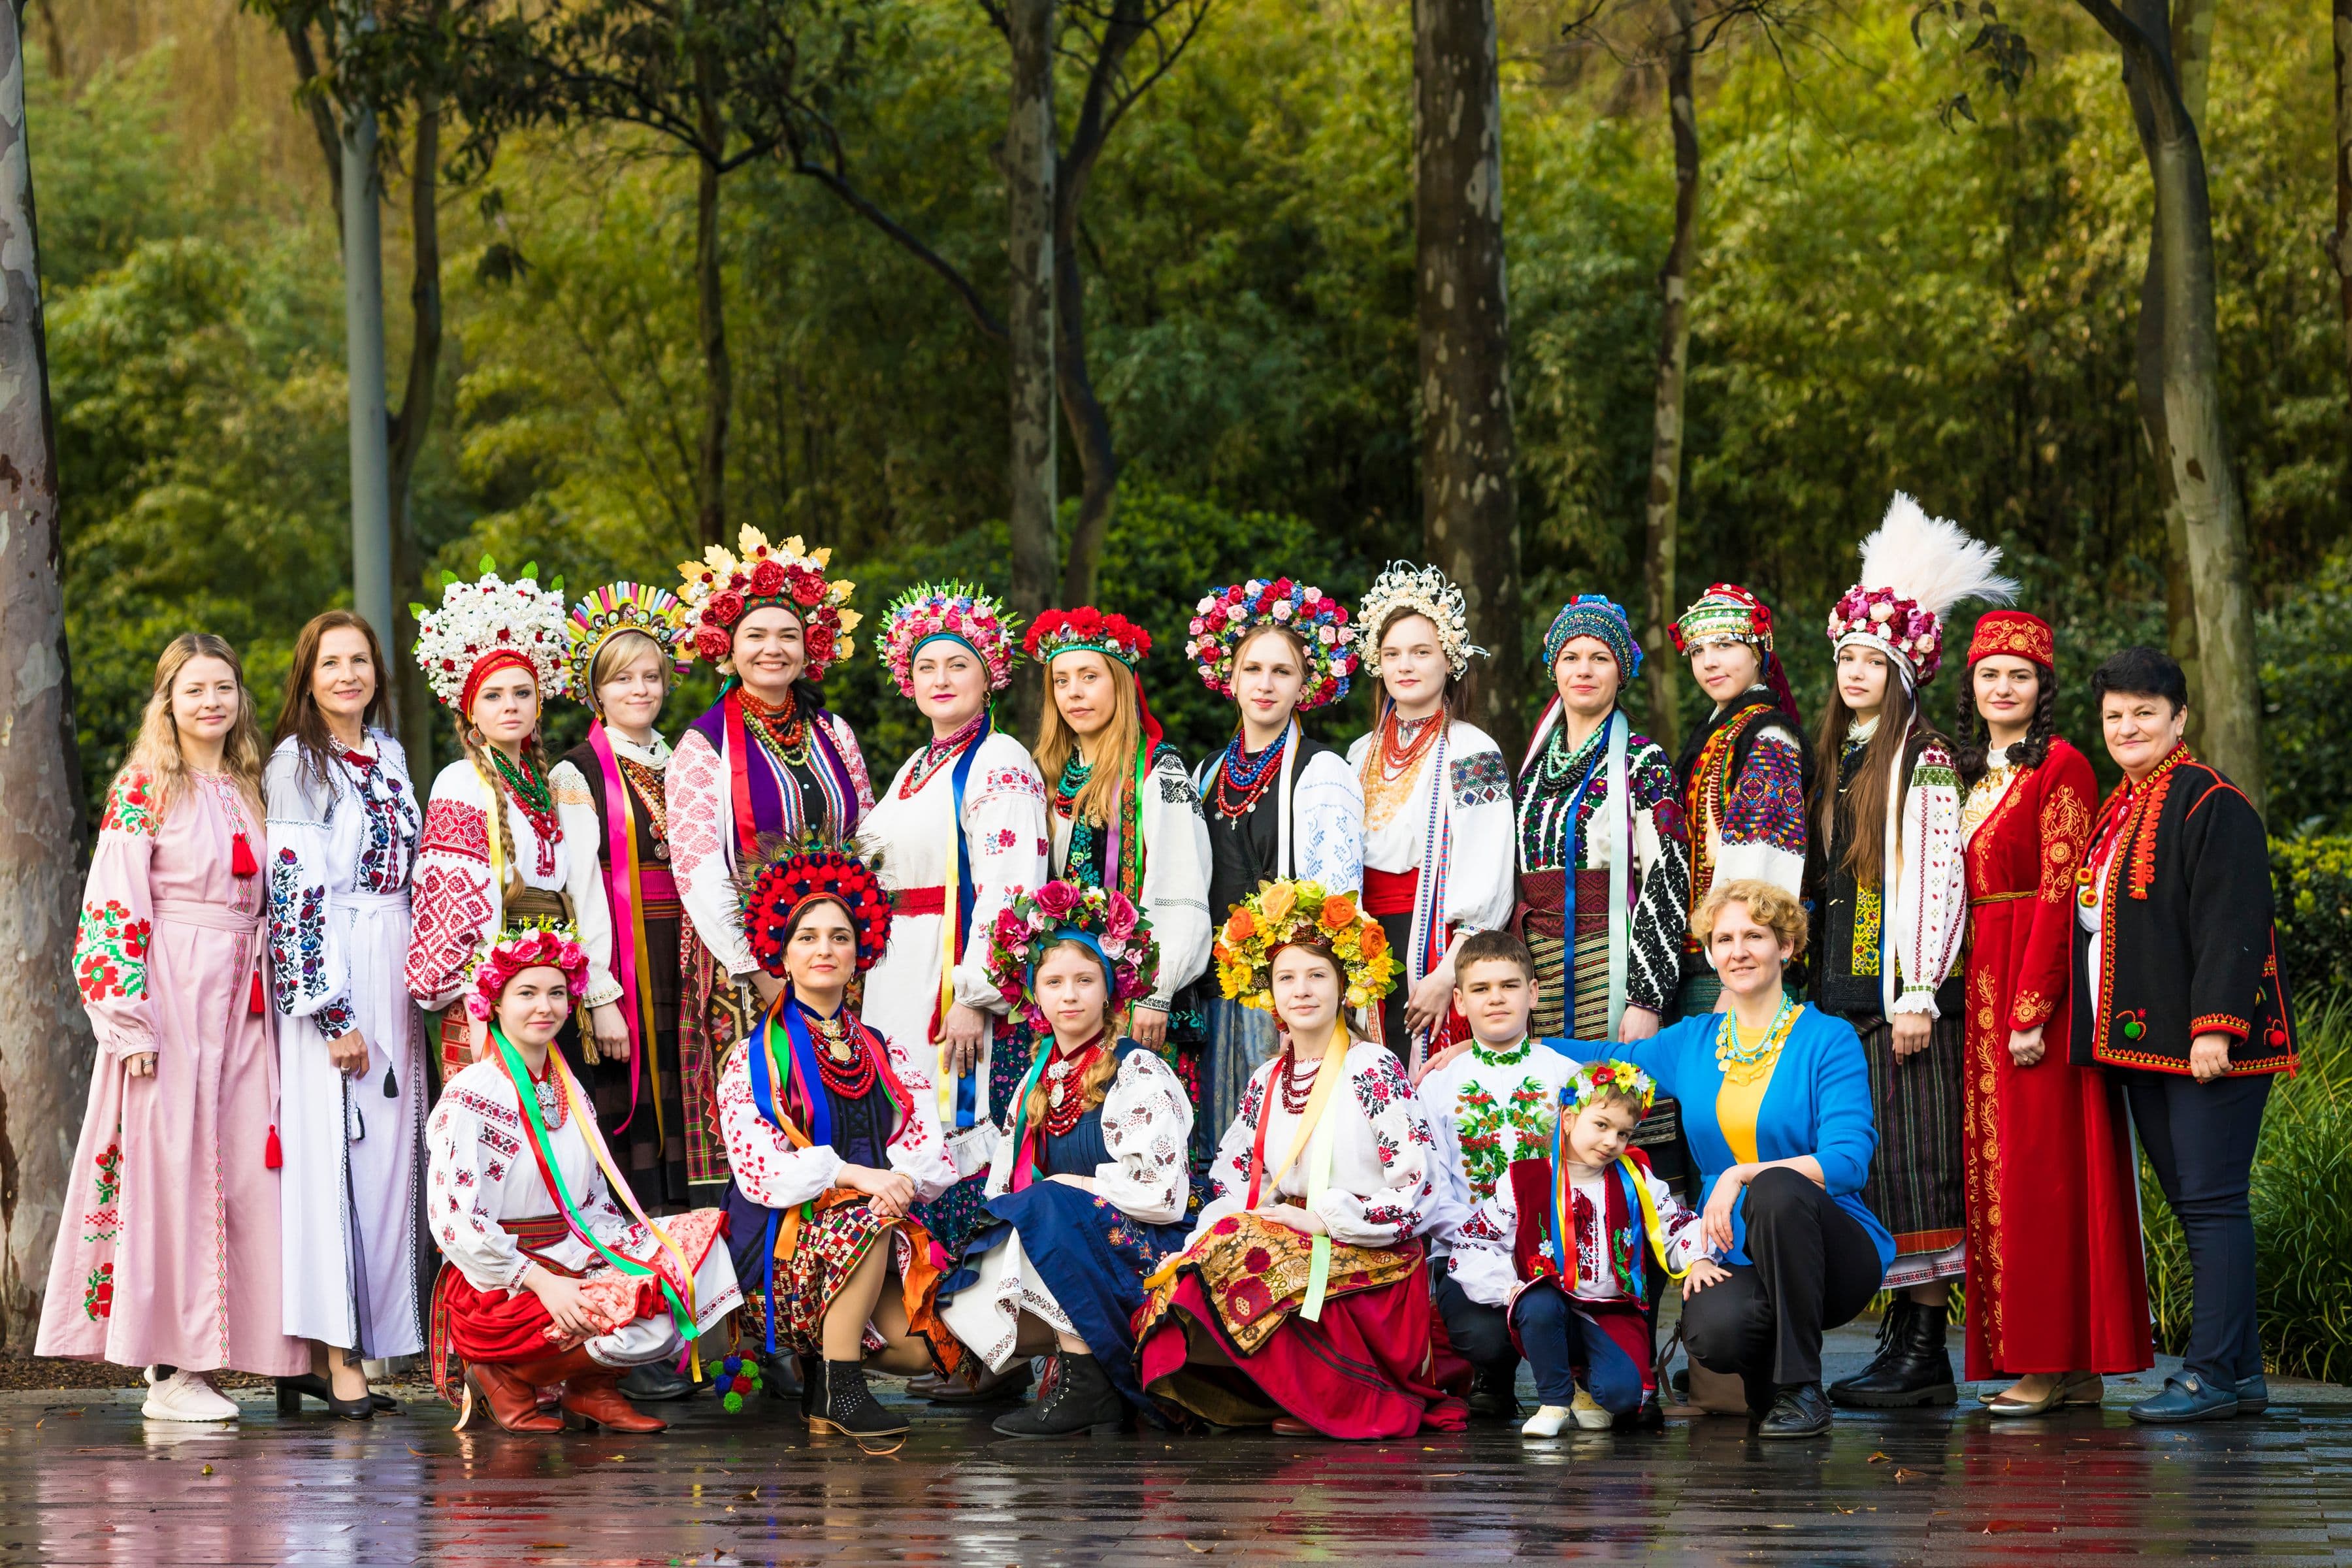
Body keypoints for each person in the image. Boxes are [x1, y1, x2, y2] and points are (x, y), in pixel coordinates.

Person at [38, 634, 309, 1418]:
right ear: (169, 700)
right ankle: (171, 1367)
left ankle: (223, 1358)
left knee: (245, 1176)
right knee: (174, 1170)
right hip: (174, 990)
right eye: (194, 690)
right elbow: (111, 908)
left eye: (223, 688)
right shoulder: (144, 787)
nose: (211, 703)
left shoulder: (249, 784)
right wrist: (130, 1024)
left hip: (246, 999)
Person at [1135, 879, 1469, 1440]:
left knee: (1252, 1252)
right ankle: (1252, 1392)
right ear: (1269, 993)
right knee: (1190, 1266)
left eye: (1317, 975)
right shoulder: (1267, 1079)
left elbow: (1420, 1188)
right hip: (1288, 1229)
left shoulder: (1373, 1067)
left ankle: (1331, 1391)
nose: (1302, 990)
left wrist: (1323, 1217)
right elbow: (1241, 1179)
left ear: (1344, 987)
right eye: (1286, 978)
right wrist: (1229, 1223)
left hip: (1370, 1250)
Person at [1808, 497, 2012, 1410]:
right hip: (1845, 994)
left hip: (1903, 996)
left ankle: (1924, 1348)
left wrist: (1921, 987)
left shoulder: (1921, 759)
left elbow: (1937, 879)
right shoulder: (1842, 755)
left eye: (1873, 660)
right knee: (1875, 1159)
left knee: (1916, 1163)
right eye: (1847, 656)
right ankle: (1901, 1338)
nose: (1855, 671)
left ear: (1904, 672)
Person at [2076, 647, 2297, 1424]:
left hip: (2210, 1048)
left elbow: (2234, 922)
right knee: (2195, 1206)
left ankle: (2207, 1374)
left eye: (2145, 712)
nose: (2128, 726)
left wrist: (2217, 1030)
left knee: (2212, 1204)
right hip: (2147, 1044)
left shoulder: (2212, 801)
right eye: (2115, 715)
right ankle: (2240, 1375)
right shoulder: (2124, 804)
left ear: (2180, 718)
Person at [1600, 879, 1891, 1439]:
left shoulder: (1828, 1038)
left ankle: (1803, 1388)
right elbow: (1607, 1058)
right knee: (1713, 1332)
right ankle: (1770, 1389)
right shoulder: (1693, 1040)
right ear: (1710, 954)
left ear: (1785, 947)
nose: (1737, 951)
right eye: (1724, 938)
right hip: (1733, 1245)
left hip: (1831, 1250)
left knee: (1776, 1190)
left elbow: (1849, 1161)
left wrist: (1740, 1174)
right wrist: (1502, 1045)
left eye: (1754, 936)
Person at [425, 924, 741, 1434]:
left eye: (555, 993)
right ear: (494, 1004)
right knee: (629, 1317)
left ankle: (588, 1388)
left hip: (569, 1253)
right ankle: (503, 1370)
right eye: (526, 993)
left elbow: (591, 1202)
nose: (543, 1007)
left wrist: (612, 1260)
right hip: (500, 1285)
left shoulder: (569, 1089)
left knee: (691, 1258)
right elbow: (455, 1222)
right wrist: (544, 1283)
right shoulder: (470, 1095)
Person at [1953, 611, 2151, 1414]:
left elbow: (2060, 889)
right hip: (1980, 979)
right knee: (2001, 1173)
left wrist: (2033, 1008)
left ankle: (2053, 1356)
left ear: (2044, 687)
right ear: (1971, 685)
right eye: (1990, 674)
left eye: (2020, 675)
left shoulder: (2062, 765)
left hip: (2033, 978)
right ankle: (2051, 1363)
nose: (2004, 687)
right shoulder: (1973, 770)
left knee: (2042, 1171)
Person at [858, 583, 1049, 1400]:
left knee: (967, 1146)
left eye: (957, 665)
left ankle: (991, 1351)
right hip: (896, 972)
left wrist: (977, 989)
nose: (941, 678)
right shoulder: (916, 764)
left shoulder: (998, 761)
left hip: (950, 979)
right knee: (918, 1141)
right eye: (926, 665)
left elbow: (1011, 885)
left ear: (988, 676)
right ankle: (949, 1340)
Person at [715, 844, 962, 1445]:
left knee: (928, 1352)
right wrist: (860, 1177)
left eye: (840, 937)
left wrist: (896, 1181)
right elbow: (762, 1171)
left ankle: (824, 1376)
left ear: (861, 951)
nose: (825, 949)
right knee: (865, 1217)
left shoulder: (885, 1050)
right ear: (784, 951)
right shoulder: (752, 1058)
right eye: (807, 937)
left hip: (869, 1233)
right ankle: (842, 1391)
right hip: (781, 1250)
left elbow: (924, 1143)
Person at [939, 880, 1194, 1437]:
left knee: (1050, 1202)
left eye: (1085, 980)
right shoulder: (1036, 1077)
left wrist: (1071, 1188)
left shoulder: (1139, 1070)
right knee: (984, 1253)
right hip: (1077, 1240)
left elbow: (1162, 1195)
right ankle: (1067, 1371)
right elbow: (1004, 1189)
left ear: (1111, 991)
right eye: (1054, 982)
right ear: (1035, 996)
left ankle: (1090, 1389)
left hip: (1145, 1247)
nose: (1070, 995)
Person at [668, 531, 873, 1190]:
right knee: (771, 1117)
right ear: (727, 648)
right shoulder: (703, 747)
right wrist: (757, 970)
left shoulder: (834, 734)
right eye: (755, 635)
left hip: (839, 958)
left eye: (787, 635)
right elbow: (697, 868)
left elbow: (866, 839)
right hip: (747, 973)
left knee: (848, 1111)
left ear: (810, 648)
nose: (771, 649)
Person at [264, 611, 425, 1418]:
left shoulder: (390, 753)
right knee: (340, 1158)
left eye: (360, 661)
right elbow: (293, 890)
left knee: (393, 1159)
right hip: (336, 961)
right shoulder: (298, 762)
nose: (348, 676)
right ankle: (334, 1356)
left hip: (392, 954)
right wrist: (331, 1013)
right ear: (308, 674)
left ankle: (373, 1339)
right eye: (331, 663)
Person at [405, 563, 617, 1081]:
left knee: (555, 1112)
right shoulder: (461, 781)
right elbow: (453, 899)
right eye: (494, 696)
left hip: (551, 970)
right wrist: (482, 992)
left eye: (523, 693)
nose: (510, 706)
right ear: (470, 709)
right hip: (492, 976)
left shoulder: (545, 782)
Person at [1184, 578, 1364, 1160]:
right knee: (1217, 1138)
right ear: (1229, 678)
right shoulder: (1206, 773)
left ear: (1303, 686)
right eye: (1253, 669)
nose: (1265, 684)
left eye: (1282, 672)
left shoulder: (1322, 771)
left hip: (1284, 991)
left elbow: (1338, 898)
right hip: (1215, 988)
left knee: (1284, 1143)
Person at [1446, 1058, 1711, 1435]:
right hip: (1550, 1308)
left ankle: (1584, 1387)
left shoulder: (1637, 1180)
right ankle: (1553, 1400)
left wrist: (1697, 1258)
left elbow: (1676, 1225)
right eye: (1601, 1125)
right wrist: (1509, 1289)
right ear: (1569, 1120)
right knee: (1538, 1302)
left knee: (1624, 1398)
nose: (1611, 1142)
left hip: (1610, 1310)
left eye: (1623, 1134)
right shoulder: (1527, 1179)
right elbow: (1475, 1241)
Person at [1023, 606, 1213, 1112]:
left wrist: (1157, 991)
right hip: (1073, 996)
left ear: (1123, 684)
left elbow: (1182, 884)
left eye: (1090, 677)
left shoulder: (1158, 768)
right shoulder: (1053, 775)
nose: (1075, 693)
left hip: (1140, 996)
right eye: (1061, 681)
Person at [549, 583, 697, 1217]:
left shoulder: (690, 761)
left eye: (650, 677)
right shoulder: (577, 772)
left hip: (689, 962)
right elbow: (580, 890)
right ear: (596, 692)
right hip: (627, 962)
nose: (639, 691)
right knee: (633, 1116)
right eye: (621, 680)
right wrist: (602, 996)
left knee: (693, 1109)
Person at [1343, 563, 1514, 1067]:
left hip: (1436, 942)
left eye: (1422, 652)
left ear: (1450, 661)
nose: (1406, 665)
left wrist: (1448, 973)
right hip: (1363, 944)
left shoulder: (1472, 751)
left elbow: (1489, 870)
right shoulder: (1357, 755)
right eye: (1392, 654)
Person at [1413, 929, 1577, 1418]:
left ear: (1533, 993)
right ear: (1459, 1002)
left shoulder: (1565, 1075)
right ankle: (1493, 1370)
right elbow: (1432, 1184)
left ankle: (1585, 1375)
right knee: (1485, 1338)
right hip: (1469, 1249)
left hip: (1557, 1250)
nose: (1496, 998)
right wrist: (1480, 1241)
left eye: (1509, 985)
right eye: (1481, 989)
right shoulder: (1438, 1086)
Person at [1516, 594, 1690, 1043]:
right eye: (1571, 657)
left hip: (1611, 966)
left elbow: (1667, 877)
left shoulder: (1642, 761)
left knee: (1610, 1100)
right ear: (1555, 668)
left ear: (1621, 673)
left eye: (1600, 658)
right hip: (1534, 973)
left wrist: (1646, 999)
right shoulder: (1532, 769)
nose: (1584, 670)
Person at [1667, 583, 1806, 1015]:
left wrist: (1736, 964)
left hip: (1738, 972)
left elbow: (1762, 858)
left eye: (1725, 645)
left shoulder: (1768, 734)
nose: (1709, 661)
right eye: (1697, 651)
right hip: (1704, 963)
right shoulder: (1718, 730)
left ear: (1759, 651)